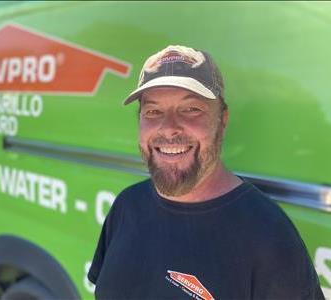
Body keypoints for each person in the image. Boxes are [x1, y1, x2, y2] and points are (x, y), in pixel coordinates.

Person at [88, 45, 324, 300]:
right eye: (153, 111)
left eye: (191, 109)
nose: (168, 129)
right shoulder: (126, 206)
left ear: (222, 121)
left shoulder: (268, 236)